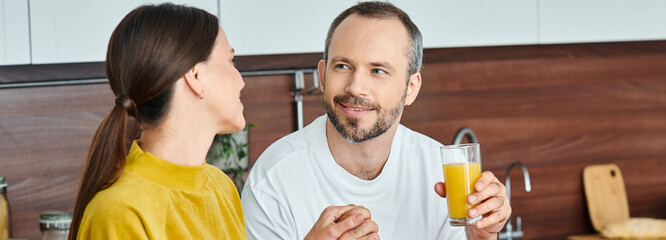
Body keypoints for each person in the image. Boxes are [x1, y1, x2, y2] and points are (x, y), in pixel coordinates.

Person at [241, 2, 511, 239]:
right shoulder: (273, 182)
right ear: (322, 76)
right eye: (343, 66)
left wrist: (482, 237)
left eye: (378, 71)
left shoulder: (438, 170)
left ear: (411, 88)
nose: (356, 87)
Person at [69, 3, 247, 239]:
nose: (241, 81)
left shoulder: (221, 188)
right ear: (195, 76)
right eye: (230, 60)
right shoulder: (120, 213)